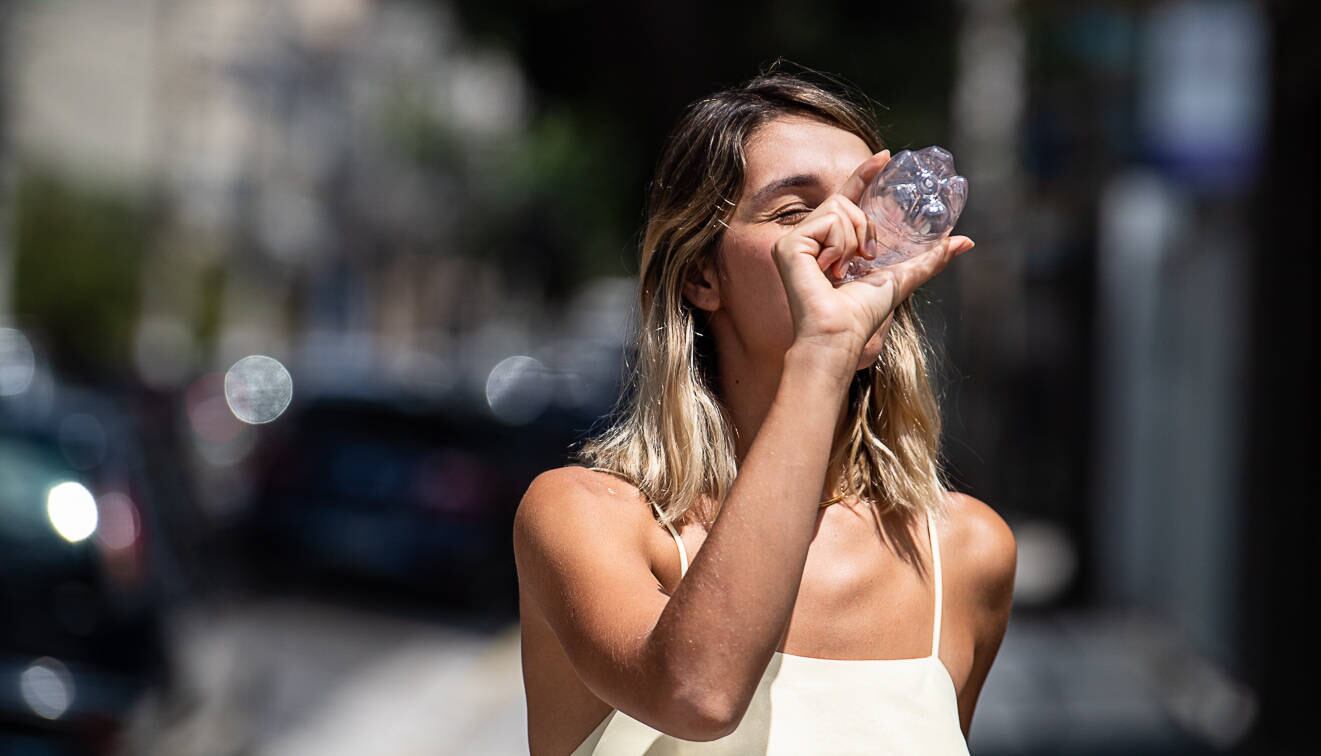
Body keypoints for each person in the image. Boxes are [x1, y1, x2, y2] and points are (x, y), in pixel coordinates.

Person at [514, 67, 1016, 755]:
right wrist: (823, 352)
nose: (847, 241)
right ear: (700, 275)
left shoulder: (965, 552)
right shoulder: (587, 519)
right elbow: (697, 693)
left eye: (872, 209)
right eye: (793, 213)